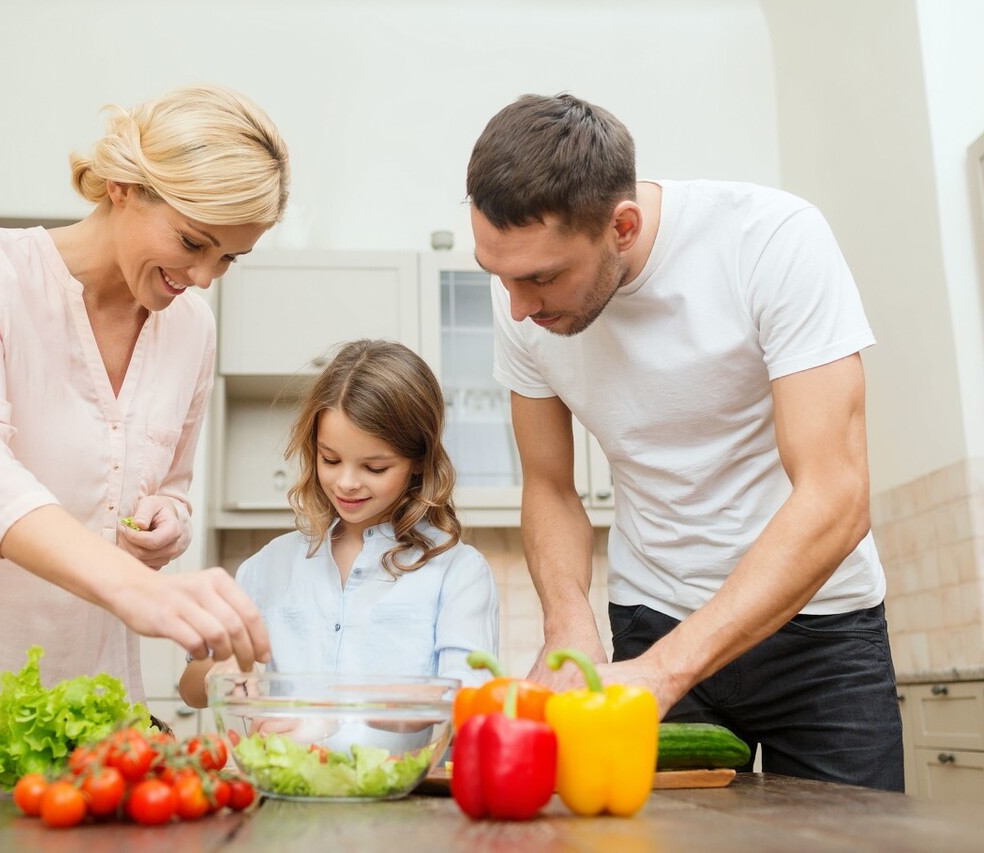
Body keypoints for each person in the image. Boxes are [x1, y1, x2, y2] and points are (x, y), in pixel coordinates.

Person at [0, 85, 289, 803]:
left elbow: (172, 483)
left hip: (80, 706)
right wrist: (139, 588)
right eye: (195, 241)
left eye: (229, 258)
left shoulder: (191, 327)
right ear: (123, 186)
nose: (202, 278)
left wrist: (169, 518)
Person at [467, 93, 902, 791]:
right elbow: (548, 483)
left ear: (623, 227)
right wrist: (567, 620)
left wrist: (669, 669)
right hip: (650, 613)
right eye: (500, 275)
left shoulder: (773, 240)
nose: (517, 306)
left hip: (818, 630)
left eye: (541, 277)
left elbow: (838, 494)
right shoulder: (520, 299)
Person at [178, 339, 499, 713]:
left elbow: (472, 702)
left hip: (413, 773)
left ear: (420, 461)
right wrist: (220, 674)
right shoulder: (271, 565)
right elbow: (190, 688)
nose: (346, 482)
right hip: (292, 773)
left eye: (374, 468)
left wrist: (339, 711)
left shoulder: (458, 572)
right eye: (330, 460)